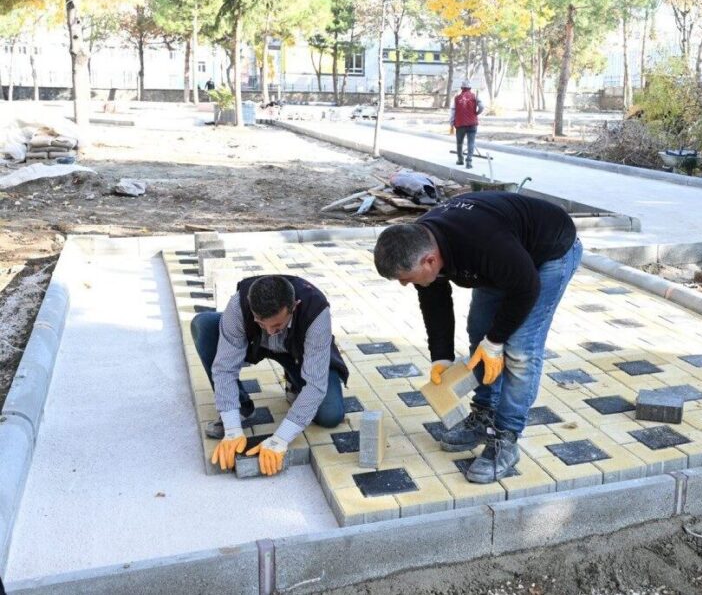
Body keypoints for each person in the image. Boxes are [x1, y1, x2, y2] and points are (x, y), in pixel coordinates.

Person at [373, 192, 582, 483]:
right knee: (479, 331)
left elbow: (526, 287)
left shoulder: (482, 243)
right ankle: (484, 413)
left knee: (520, 347)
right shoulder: (421, 241)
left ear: (430, 260)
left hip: (549, 252)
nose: (405, 284)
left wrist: (496, 341)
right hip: (507, 255)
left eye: (406, 277)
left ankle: (506, 437)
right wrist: (441, 357)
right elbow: (435, 303)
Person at [190, 275, 348, 476]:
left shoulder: (316, 311)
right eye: (262, 323)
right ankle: (241, 407)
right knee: (204, 326)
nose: (270, 331)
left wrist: (281, 438)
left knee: (330, 414)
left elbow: (316, 385)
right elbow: (224, 369)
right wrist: (231, 428)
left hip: (299, 354)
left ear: (294, 306)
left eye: (277, 325)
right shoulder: (238, 306)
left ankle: (294, 382)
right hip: (255, 345)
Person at [450, 79, 483, 168]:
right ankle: (469, 162)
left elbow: (453, 111)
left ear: (461, 88)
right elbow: (482, 106)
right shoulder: (474, 96)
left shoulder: (457, 98)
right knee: (471, 143)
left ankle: (460, 160)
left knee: (459, 143)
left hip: (460, 124)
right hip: (472, 123)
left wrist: (451, 123)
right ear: (470, 88)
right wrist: (477, 113)